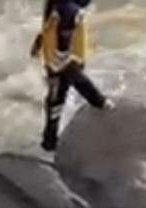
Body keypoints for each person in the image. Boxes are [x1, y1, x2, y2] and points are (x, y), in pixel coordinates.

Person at [31, 0, 113, 152]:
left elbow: (58, 28)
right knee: (62, 92)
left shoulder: (61, 6)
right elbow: (61, 30)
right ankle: (100, 102)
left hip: (59, 58)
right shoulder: (66, 7)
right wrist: (51, 49)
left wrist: (46, 47)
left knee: (57, 97)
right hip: (64, 59)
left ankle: (49, 141)